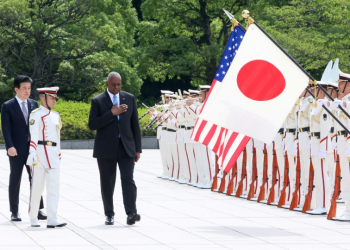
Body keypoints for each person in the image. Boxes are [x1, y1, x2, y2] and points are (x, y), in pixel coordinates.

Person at [89, 72, 142, 226]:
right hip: (106, 149)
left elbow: (135, 126)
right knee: (107, 182)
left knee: (128, 180)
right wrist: (111, 113)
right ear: (107, 83)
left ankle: (132, 213)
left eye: (119, 84)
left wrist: (137, 149)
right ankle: (109, 214)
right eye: (113, 84)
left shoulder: (129, 98)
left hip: (126, 147)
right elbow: (92, 124)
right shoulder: (98, 101)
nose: (116, 87)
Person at [1, 75, 46, 222]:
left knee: (36, 178)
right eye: (24, 88)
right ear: (16, 89)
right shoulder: (8, 106)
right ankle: (14, 211)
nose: (27, 91)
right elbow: (5, 129)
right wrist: (10, 146)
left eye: (29, 88)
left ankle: (38, 209)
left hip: (32, 148)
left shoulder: (33, 104)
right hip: (16, 149)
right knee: (15, 179)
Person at [26, 87, 66, 228]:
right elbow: (34, 135)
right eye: (52, 98)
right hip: (40, 155)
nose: (55, 101)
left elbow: (58, 138)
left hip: (53, 155)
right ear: (43, 98)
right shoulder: (35, 115)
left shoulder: (55, 115)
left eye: (55, 98)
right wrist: (32, 153)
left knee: (54, 187)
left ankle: (52, 218)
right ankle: (33, 218)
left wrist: (59, 153)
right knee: (37, 188)